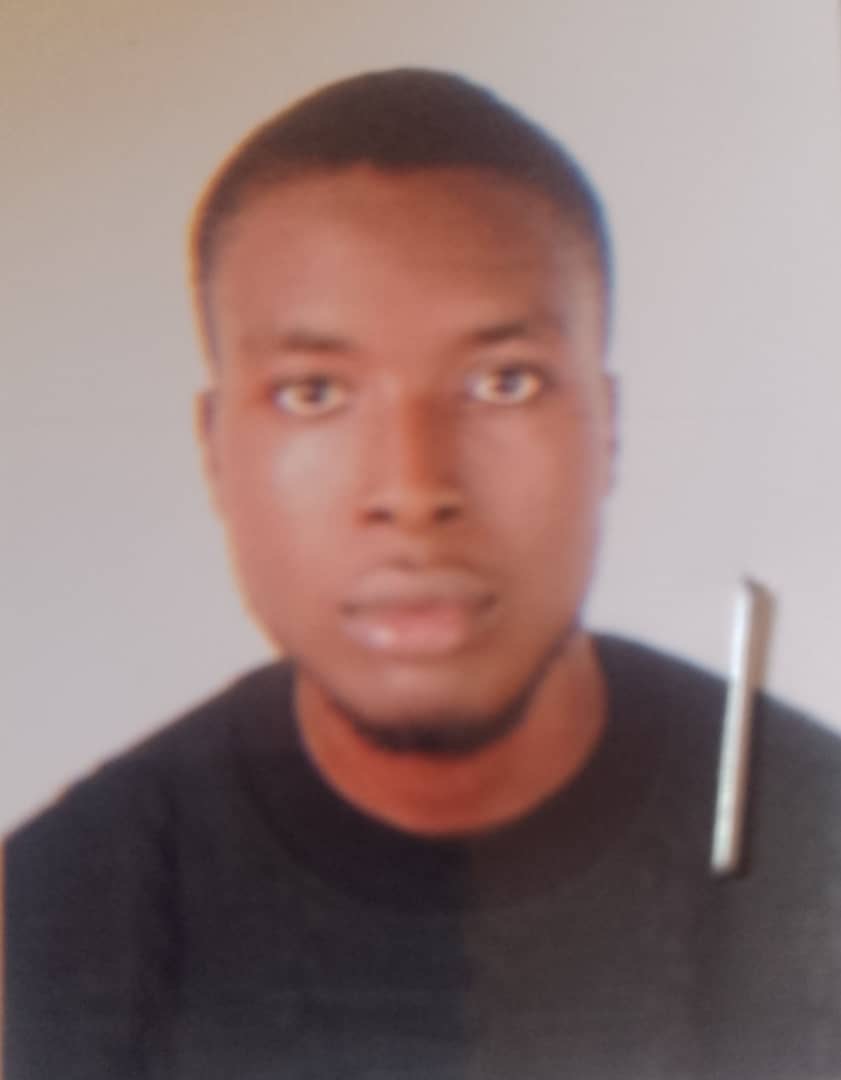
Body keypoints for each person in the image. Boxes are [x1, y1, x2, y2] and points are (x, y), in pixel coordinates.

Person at [3, 68, 840, 1080]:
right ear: (215, 449)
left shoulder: (817, 856)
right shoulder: (49, 930)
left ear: (607, 428)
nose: (412, 489)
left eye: (503, 382)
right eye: (314, 393)